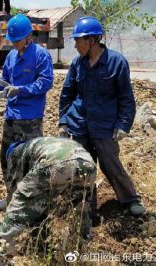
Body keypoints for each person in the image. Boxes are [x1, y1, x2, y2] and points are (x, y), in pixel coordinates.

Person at [58, 16, 145, 216]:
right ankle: (88, 209)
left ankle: (130, 200)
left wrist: (123, 125)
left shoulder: (116, 62)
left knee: (111, 166)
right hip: (80, 125)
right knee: (83, 169)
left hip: (105, 127)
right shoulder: (77, 64)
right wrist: (63, 121)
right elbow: (67, 95)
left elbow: (126, 98)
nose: (76, 45)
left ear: (93, 40)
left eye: (79, 40)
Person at [0, 137, 96, 240]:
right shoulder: (42, 143)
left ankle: (3, 246)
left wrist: (10, 207)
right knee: (79, 205)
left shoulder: (15, 152)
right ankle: (83, 241)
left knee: (21, 199)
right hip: (89, 164)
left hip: (59, 163)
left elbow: (15, 188)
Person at [0, 14, 53, 197]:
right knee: (7, 157)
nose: (14, 44)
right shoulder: (11, 56)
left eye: (17, 40)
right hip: (11, 115)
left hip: (30, 117)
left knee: (28, 160)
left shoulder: (40, 55)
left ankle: (29, 199)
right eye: (12, 40)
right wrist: (1, 87)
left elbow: (45, 82)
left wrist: (20, 90)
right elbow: (5, 78)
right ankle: (11, 195)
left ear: (29, 36)